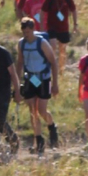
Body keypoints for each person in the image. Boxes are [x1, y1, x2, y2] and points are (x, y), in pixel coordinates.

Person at [17, 17, 60, 154]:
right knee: (32, 110)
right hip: (30, 79)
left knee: (41, 110)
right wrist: (18, 83)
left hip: (43, 79)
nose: (26, 34)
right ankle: (39, 142)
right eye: (24, 32)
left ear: (33, 29)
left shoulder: (42, 43)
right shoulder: (21, 44)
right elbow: (20, 62)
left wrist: (55, 84)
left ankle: (52, 127)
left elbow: (53, 62)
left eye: (28, 31)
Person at [41, 0, 78, 76]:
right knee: (52, 45)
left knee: (63, 49)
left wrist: (75, 24)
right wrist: (42, 26)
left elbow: (74, 10)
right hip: (51, 26)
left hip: (63, 27)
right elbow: (42, 11)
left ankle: (61, 69)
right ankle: (52, 66)